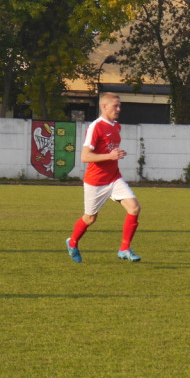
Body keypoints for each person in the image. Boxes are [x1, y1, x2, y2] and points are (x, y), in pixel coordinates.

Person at [65, 92, 142, 263]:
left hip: (114, 178)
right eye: (116, 106)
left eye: (119, 105)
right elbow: (85, 157)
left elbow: (109, 152)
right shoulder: (96, 126)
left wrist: (116, 154)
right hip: (96, 181)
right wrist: (110, 156)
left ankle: (124, 249)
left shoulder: (116, 126)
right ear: (104, 106)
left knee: (134, 208)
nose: (119, 109)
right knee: (90, 218)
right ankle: (73, 242)